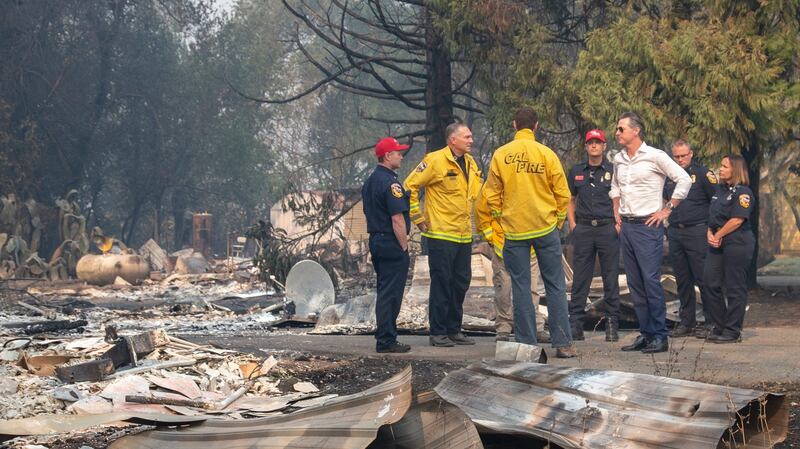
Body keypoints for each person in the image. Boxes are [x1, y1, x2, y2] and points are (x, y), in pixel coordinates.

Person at [477, 106, 576, 358]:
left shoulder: (501, 155)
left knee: (521, 287)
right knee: (554, 285)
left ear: (514, 125)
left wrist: (501, 220)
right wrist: (557, 221)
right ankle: (563, 343)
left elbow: (491, 195)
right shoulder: (546, 154)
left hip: (515, 232)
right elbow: (563, 193)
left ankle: (527, 345)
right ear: (536, 126)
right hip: (545, 228)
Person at [610, 112, 692, 354]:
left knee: (650, 282)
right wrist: (617, 213)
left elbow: (684, 180)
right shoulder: (619, 159)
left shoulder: (655, 156)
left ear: (636, 131)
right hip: (627, 226)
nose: (617, 132)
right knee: (635, 284)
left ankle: (659, 335)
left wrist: (667, 210)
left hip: (648, 227)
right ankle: (646, 334)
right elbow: (615, 187)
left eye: (621, 128)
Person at [404, 123, 483, 347]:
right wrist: (417, 217)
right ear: (452, 140)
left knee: (461, 282)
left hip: (464, 235)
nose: (471, 140)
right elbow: (410, 186)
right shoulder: (435, 160)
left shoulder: (470, 163)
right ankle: (437, 332)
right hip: (441, 234)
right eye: (466, 137)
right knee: (442, 283)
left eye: (471, 136)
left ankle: (454, 329)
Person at [567, 129, 621, 342]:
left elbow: (620, 198)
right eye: (591, 143)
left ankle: (612, 325)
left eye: (598, 143)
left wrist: (618, 224)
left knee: (610, 277)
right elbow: (570, 199)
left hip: (608, 228)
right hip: (584, 229)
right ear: (586, 146)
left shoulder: (614, 171)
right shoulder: (576, 171)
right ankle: (576, 325)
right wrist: (572, 224)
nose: (594, 146)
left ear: (604, 146)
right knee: (581, 279)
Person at [362, 137, 412, 353]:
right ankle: (386, 339)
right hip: (391, 242)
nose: (401, 156)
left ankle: (384, 334)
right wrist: (404, 246)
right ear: (388, 156)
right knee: (391, 293)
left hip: (376, 239)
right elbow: (397, 218)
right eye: (398, 152)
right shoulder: (391, 183)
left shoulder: (371, 180)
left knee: (384, 290)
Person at [663, 140, 717, 338]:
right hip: (676, 232)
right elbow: (665, 201)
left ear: (691, 154)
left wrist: (712, 229)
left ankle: (712, 321)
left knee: (704, 278)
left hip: (697, 232)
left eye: (683, 155)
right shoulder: (670, 178)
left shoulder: (703, 174)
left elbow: (716, 201)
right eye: (676, 156)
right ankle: (687, 322)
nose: (680, 159)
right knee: (682, 280)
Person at [703, 154, 755, 344]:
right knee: (709, 282)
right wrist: (710, 232)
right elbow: (712, 216)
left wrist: (718, 235)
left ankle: (732, 331)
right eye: (721, 165)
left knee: (734, 287)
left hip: (737, 242)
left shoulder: (743, 192)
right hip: (717, 240)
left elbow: (737, 219)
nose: (720, 169)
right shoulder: (719, 190)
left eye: (724, 166)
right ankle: (721, 325)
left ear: (735, 170)